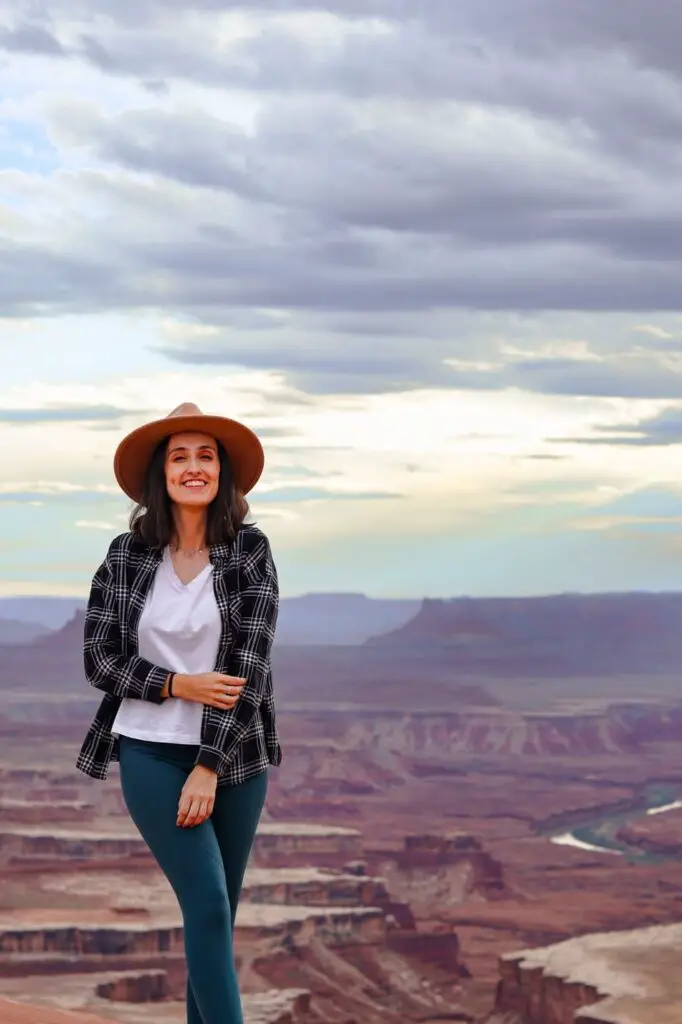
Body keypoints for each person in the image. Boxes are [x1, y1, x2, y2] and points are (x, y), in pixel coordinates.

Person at [76, 401, 282, 1024]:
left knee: (216, 913)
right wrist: (177, 684)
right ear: (159, 476)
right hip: (150, 750)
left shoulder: (249, 551)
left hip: (235, 760)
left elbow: (252, 663)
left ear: (223, 473)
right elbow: (98, 660)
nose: (194, 468)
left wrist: (211, 766)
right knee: (210, 905)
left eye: (206, 456)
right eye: (179, 457)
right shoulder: (127, 555)